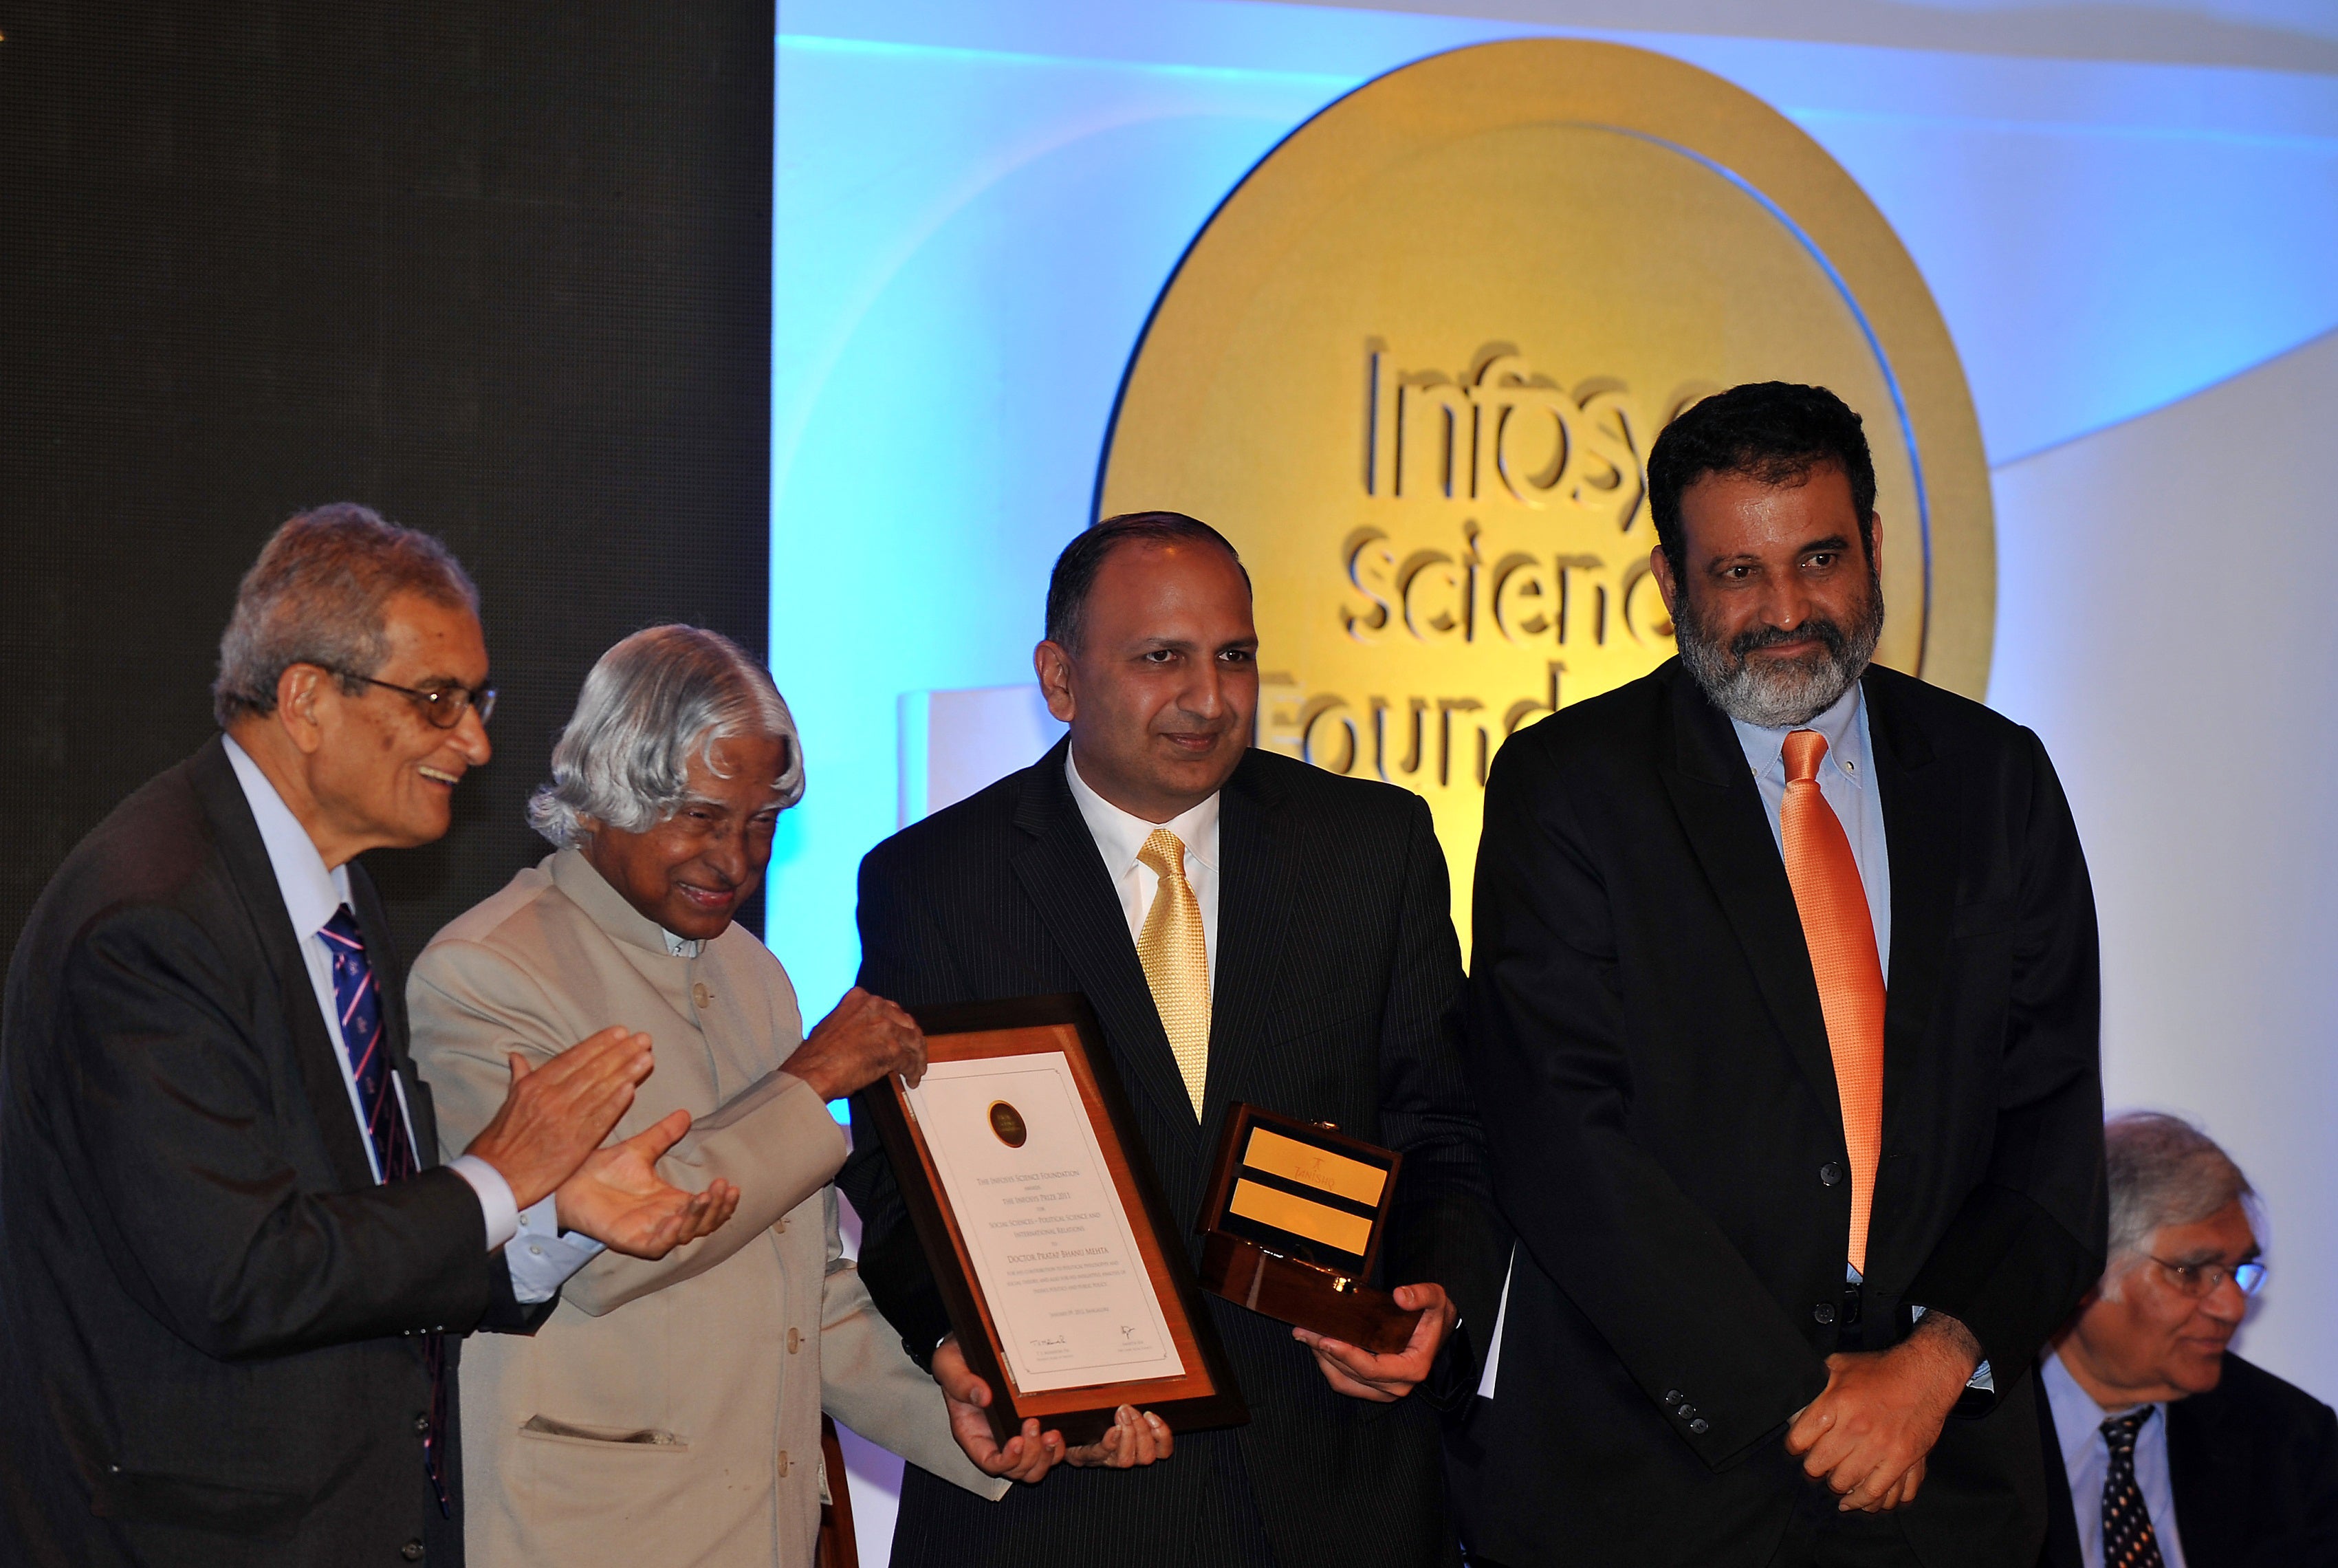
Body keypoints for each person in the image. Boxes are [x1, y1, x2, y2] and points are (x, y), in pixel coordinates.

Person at [0, 506, 733, 1568]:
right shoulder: (150, 921)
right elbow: (244, 1277)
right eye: (436, 701)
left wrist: (548, 1218)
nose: (475, 744)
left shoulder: (329, 893)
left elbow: (357, 1237)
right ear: (306, 700)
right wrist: (497, 1176)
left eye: (476, 703)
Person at [1458, 383, 2107, 1566]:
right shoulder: (1570, 788)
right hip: (1658, 1484)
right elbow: (1562, 1141)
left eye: (1819, 558)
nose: (1788, 610)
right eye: (1737, 573)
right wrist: (1799, 1407)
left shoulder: (1995, 777)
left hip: (1945, 1483)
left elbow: (2050, 1126)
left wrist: (1932, 1365)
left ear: (1872, 550)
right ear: (1669, 585)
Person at [837, 512, 1509, 1568]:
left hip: (1332, 1481)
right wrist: (955, 1342)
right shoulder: (934, 882)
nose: (1208, 698)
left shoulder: (1374, 850)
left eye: (1233, 657)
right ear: (1059, 679)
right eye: (1162, 659)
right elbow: (897, 1175)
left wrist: (1434, 1295)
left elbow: (1448, 1125)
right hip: (1061, 1493)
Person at [407, 624, 1144, 1566]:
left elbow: (807, 1290)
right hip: (587, 1534)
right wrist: (813, 1084)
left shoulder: (754, 975)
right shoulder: (487, 972)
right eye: (704, 817)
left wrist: (962, 1417)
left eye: (762, 822)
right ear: (605, 793)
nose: (736, 860)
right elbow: (597, 1261)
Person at [2036, 1112, 2338, 1567]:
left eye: (2238, 1272)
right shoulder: (1962, 1436)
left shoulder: (2289, 1440)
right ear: (2088, 1271)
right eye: (2191, 1272)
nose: (2233, 1308)